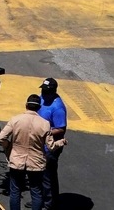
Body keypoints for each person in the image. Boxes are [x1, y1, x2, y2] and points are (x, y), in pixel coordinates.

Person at [0, 94, 53, 210]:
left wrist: (9, 147)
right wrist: (61, 142)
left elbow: (1, 137)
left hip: (17, 160)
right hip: (35, 162)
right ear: (39, 108)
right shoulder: (45, 124)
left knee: (15, 191)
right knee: (36, 192)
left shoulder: (16, 120)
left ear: (26, 105)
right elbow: (51, 146)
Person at [38, 78, 68, 208]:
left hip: (49, 146)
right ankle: (39, 199)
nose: (44, 94)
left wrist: (45, 131)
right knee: (38, 174)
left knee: (47, 176)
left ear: (54, 91)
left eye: (46, 92)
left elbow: (61, 128)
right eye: (43, 91)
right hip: (39, 143)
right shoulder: (42, 98)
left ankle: (49, 203)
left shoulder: (58, 108)